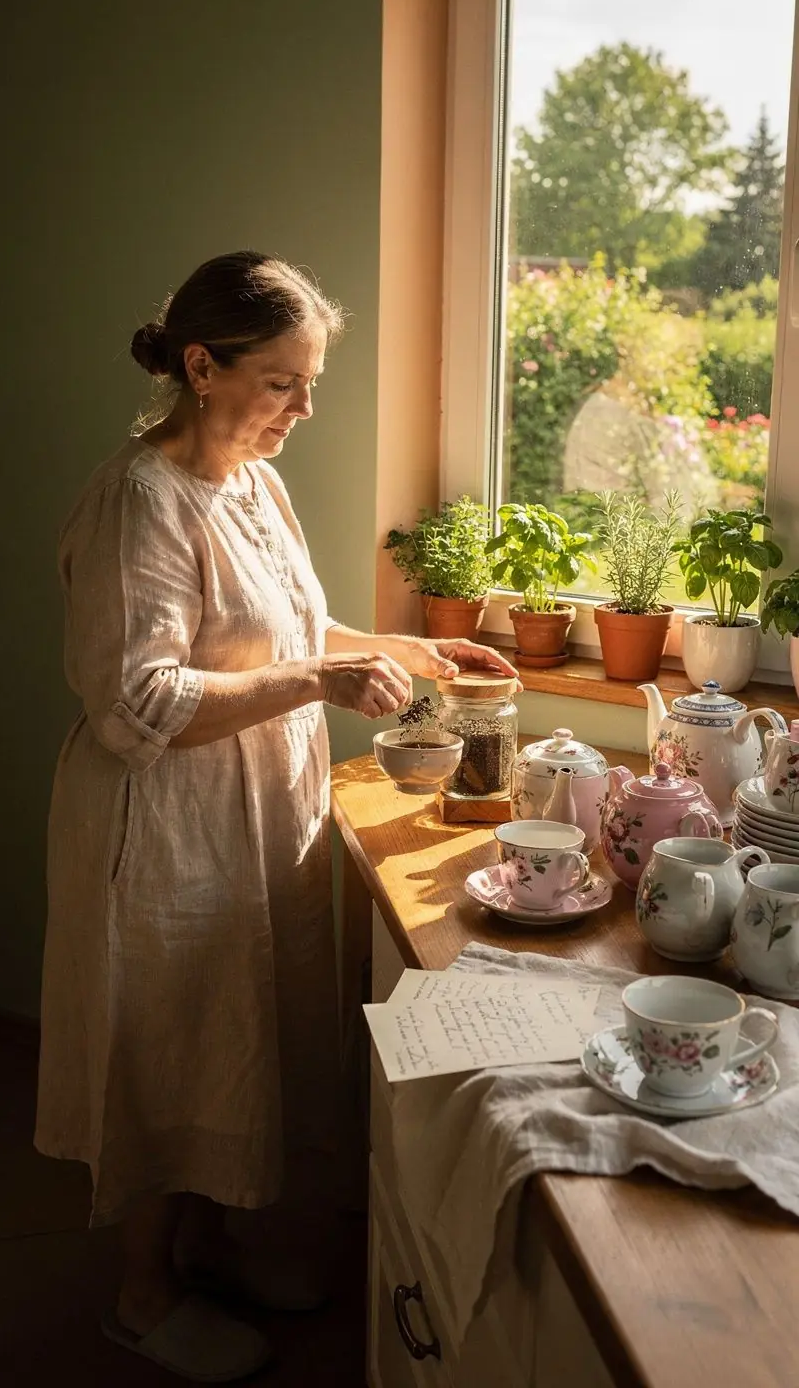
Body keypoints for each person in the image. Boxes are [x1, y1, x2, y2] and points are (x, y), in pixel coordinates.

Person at [34, 250, 517, 1381]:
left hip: (250, 812)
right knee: (163, 1046)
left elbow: (293, 624)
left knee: (228, 1035)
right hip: (160, 829)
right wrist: (319, 684)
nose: (303, 408)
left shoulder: (253, 476)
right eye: (282, 382)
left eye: (312, 383)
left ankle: (208, 1248)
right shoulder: (137, 502)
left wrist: (401, 647)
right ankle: (143, 1295)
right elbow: (136, 704)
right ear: (202, 366)